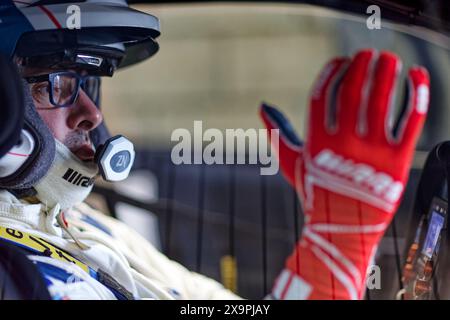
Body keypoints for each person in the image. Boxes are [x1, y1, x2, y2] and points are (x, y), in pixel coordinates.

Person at [0, 0, 430, 300]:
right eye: (56, 86)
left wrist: (330, 258)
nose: (91, 114)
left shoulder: (75, 220)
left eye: (89, 84)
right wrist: (334, 251)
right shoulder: (11, 277)